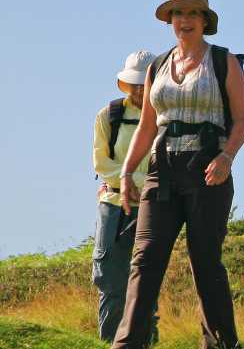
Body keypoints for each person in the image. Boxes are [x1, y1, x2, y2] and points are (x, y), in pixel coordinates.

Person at [111, 0, 244, 349]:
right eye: (178, 13)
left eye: (191, 13)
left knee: (205, 263)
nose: (184, 20)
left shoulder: (224, 62)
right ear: (170, 20)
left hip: (208, 169)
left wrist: (226, 157)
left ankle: (220, 344)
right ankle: (127, 344)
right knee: (144, 261)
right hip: (162, 169)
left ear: (204, 20)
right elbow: (146, 127)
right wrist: (126, 173)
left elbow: (240, 120)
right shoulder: (158, 65)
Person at [92, 50, 158, 343]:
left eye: (145, 83)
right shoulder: (109, 116)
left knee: (146, 280)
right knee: (110, 279)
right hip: (113, 205)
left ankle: (146, 341)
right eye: (135, 84)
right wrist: (126, 179)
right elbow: (101, 163)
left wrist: (136, 180)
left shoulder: (164, 119)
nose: (140, 90)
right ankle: (108, 342)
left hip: (152, 206)